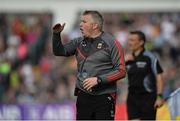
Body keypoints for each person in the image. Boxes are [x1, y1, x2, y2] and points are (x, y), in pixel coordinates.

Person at [52, 10, 126, 120]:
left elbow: (121, 71)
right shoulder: (78, 42)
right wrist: (56, 34)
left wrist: (99, 80)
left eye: (84, 22)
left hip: (105, 96)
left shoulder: (112, 43)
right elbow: (59, 51)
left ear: (95, 25)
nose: (80, 24)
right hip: (84, 95)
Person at [125, 31, 164, 120]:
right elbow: (117, 75)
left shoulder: (150, 57)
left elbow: (159, 76)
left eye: (132, 40)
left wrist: (160, 96)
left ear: (141, 42)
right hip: (132, 98)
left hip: (148, 98)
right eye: (129, 40)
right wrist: (123, 62)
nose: (129, 43)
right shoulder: (127, 58)